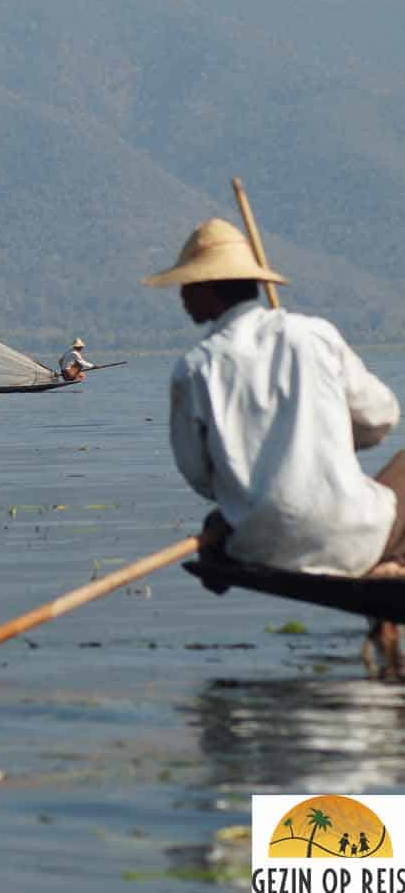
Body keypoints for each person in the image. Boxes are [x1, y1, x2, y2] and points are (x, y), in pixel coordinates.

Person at [145, 217, 405, 676]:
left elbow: (200, 476)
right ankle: (391, 565)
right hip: (353, 536)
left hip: (257, 546)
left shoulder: (193, 369)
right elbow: (382, 418)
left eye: (188, 285)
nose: (183, 296)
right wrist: (339, 439)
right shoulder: (313, 336)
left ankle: (386, 586)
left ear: (212, 289)